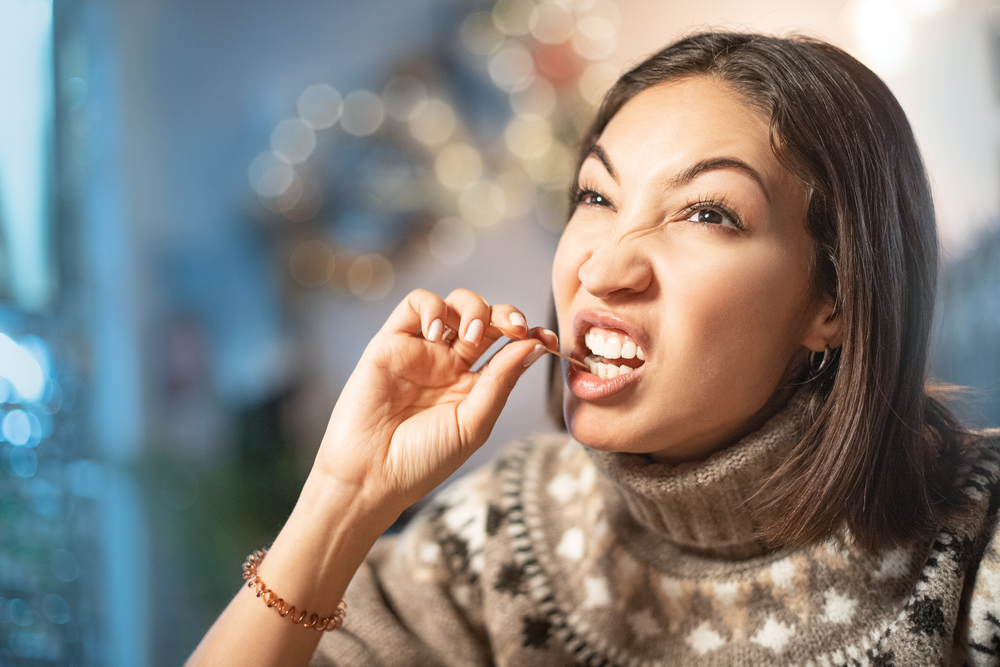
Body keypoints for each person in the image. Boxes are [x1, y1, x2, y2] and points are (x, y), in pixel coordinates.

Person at [186, 32, 1000, 667]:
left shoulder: (978, 543)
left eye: (706, 213)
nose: (602, 267)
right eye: (596, 195)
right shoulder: (495, 540)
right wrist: (343, 496)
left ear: (836, 302)